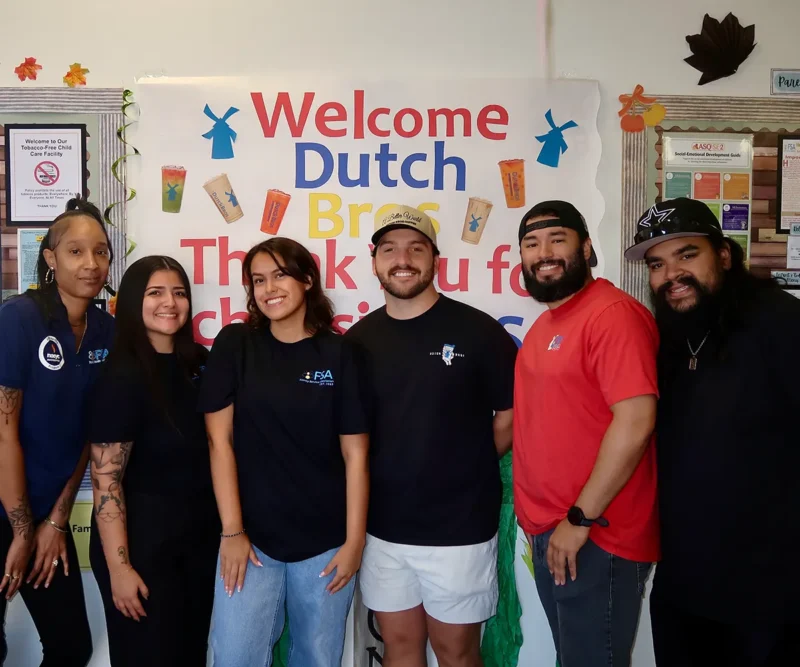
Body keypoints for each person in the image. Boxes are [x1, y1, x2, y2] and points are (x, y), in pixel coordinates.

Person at [624, 197, 800, 666]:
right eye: (657, 264)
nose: (670, 275)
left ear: (723, 254)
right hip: (684, 581)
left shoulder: (781, 323)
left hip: (769, 589)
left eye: (687, 255)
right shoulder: (667, 337)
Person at [346, 205, 517, 667]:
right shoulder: (356, 342)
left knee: (456, 652)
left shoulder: (478, 331)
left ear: (434, 259)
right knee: (399, 648)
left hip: (459, 529)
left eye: (415, 248)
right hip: (382, 530)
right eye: (390, 249)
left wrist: (470, 460)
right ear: (375, 260)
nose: (403, 259)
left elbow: (512, 413)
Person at [200, 237, 369, 667]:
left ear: (307, 280)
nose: (269, 288)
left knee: (316, 658)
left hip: (326, 544)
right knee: (235, 655)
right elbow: (219, 441)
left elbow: (356, 455)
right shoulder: (236, 343)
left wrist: (352, 543)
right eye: (258, 280)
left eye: (280, 275)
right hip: (251, 542)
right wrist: (233, 531)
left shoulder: (340, 352)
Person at [513, 200, 660, 667]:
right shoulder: (546, 325)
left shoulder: (612, 314)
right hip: (554, 532)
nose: (544, 253)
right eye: (532, 244)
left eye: (558, 239)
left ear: (587, 247)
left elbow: (635, 422)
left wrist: (579, 520)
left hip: (595, 534)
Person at [0, 198, 115, 666]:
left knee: (71, 647)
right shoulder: (19, 318)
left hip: (47, 513)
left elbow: (90, 437)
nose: (91, 264)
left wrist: (54, 522)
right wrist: (22, 530)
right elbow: (5, 432)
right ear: (50, 257)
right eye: (75, 251)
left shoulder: (107, 330)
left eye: (102, 252)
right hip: (6, 509)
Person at [86, 256, 217, 666]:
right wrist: (120, 570)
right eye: (155, 292)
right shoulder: (121, 375)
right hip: (141, 549)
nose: (170, 303)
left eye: (179, 293)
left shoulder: (199, 362)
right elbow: (107, 482)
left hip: (197, 545)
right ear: (131, 302)